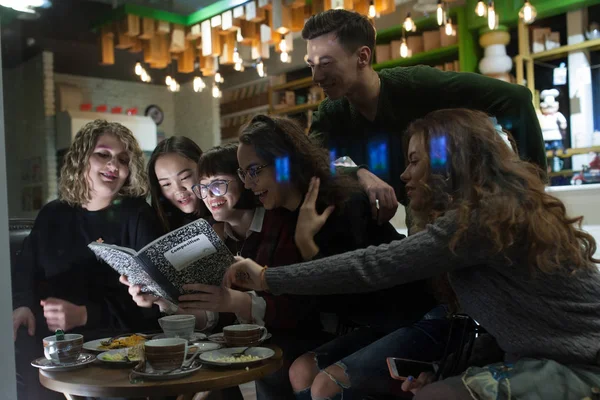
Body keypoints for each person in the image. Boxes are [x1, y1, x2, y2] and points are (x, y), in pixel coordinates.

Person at [226, 109, 600, 399]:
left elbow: (371, 268)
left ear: (448, 163)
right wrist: (452, 369)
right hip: (548, 354)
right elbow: (505, 325)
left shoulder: (479, 221)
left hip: (584, 361)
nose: (403, 175)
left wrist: (266, 277)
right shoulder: (480, 218)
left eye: (415, 161)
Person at [230, 115, 434, 400]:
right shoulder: (281, 213)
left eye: (254, 171)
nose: (249, 184)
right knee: (298, 371)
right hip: (370, 322)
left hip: (409, 315)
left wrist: (307, 246)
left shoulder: (342, 200)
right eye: (243, 174)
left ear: (284, 163)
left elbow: (353, 291)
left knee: (322, 383)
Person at [303, 9, 547, 225]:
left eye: (325, 63)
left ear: (363, 57)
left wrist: (532, 190)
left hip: (469, 208)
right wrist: (358, 173)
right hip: (419, 215)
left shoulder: (417, 85)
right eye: (311, 65)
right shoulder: (332, 113)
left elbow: (515, 99)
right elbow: (310, 157)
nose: (316, 77)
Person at [12, 120, 163, 400]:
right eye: (103, 154)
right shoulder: (52, 214)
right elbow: (25, 271)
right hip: (53, 342)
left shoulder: (138, 215)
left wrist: (85, 314)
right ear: (81, 159)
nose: (113, 165)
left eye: (123, 159)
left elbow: (151, 306)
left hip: (114, 342)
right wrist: (21, 305)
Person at [147, 136, 205, 233]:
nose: (178, 190)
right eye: (166, 184)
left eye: (185, 177)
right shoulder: (158, 228)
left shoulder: (227, 216)